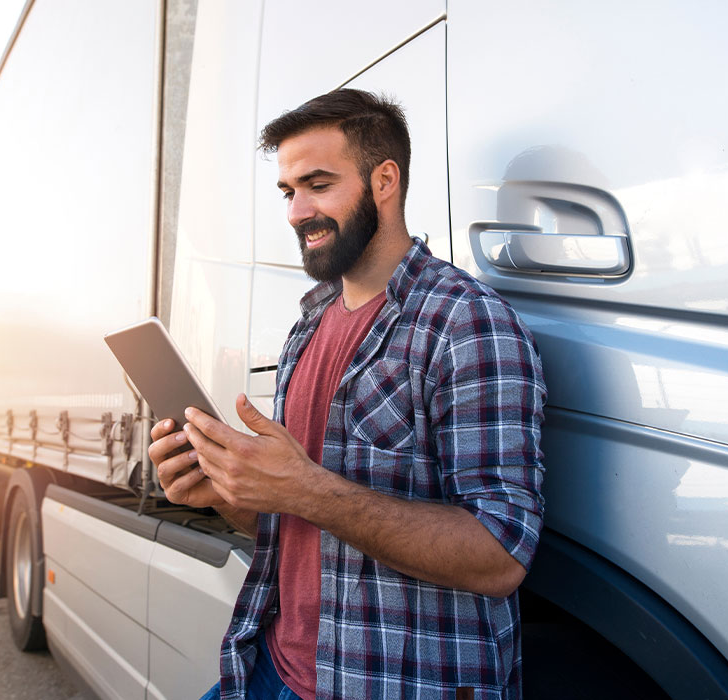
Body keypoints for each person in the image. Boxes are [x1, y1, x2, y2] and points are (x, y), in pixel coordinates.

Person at [149, 89, 546, 700]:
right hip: (272, 666)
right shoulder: (309, 323)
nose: (294, 212)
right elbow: (296, 526)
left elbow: (499, 557)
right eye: (287, 191)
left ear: (384, 180)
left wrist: (307, 488)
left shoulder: (466, 323)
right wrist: (224, 493)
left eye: (317, 184)